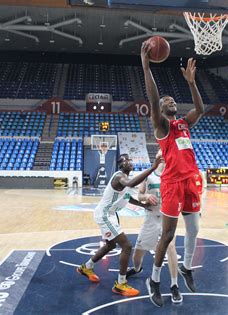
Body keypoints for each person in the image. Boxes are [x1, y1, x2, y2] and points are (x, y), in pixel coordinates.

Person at [141, 40, 204, 307]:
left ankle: (186, 267)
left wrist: (191, 83)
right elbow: (154, 100)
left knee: (195, 229)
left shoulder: (183, 123)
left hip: (191, 180)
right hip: (172, 184)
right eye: (168, 100)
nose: (171, 101)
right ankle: (154, 280)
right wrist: (146, 65)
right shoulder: (162, 126)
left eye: (173, 99)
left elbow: (200, 110)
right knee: (167, 236)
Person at [76, 154, 162, 297]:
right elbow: (131, 184)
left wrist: (142, 205)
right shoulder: (119, 177)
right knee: (127, 246)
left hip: (111, 214)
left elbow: (128, 197)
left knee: (110, 245)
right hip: (105, 214)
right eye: (124, 160)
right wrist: (153, 168)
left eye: (130, 160)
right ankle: (120, 284)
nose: (128, 162)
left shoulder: (126, 179)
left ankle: (87, 267)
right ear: (120, 164)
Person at [126, 150, 183, 304]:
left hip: (167, 217)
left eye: (166, 154)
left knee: (171, 247)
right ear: (157, 157)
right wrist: (146, 197)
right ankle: (137, 269)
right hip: (151, 217)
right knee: (137, 256)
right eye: (161, 155)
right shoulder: (148, 175)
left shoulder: (174, 174)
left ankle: (174, 285)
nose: (164, 157)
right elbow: (140, 195)